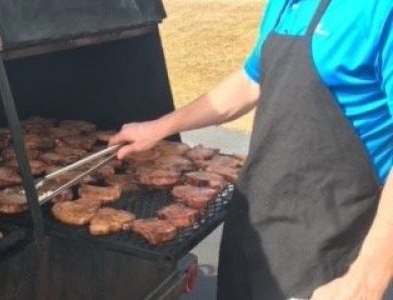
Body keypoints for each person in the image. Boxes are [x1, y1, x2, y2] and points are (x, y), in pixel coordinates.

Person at [110, 0, 393, 299]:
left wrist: (365, 280)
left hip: (324, 245)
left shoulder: (379, 9)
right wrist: (160, 127)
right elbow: (250, 81)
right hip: (254, 228)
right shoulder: (284, 4)